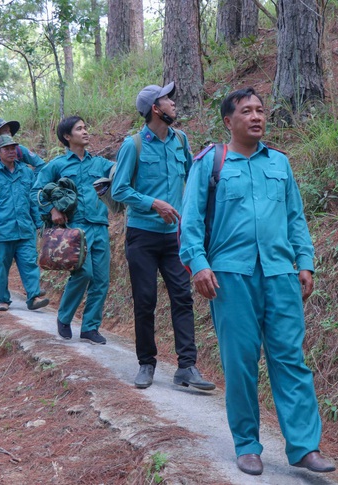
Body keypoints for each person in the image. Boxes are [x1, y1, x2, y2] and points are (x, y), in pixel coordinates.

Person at [179, 88, 336, 476]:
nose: (256, 117)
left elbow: (295, 218)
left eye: (260, 110)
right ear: (228, 121)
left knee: (290, 360)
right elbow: (191, 221)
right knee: (241, 363)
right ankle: (247, 445)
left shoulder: (280, 164)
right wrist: (199, 265)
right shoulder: (210, 163)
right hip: (231, 278)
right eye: (246, 111)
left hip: (281, 275)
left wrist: (306, 262)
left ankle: (304, 447)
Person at [111, 82, 214, 391]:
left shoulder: (181, 140)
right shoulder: (134, 145)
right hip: (142, 235)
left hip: (176, 237)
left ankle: (187, 367)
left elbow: (192, 181)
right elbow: (119, 190)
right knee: (145, 300)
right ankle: (146, 363)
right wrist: (153, 203)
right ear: (155, 109)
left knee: (182, 297)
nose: (173, 104)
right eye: (168, 99)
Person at [32, 116, 114, 345]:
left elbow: (123, 171)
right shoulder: (57, 165)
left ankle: (90, 328)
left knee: (101, 280)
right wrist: (52, 210)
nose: (86, 132)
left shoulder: (100, 164)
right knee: (83, 273)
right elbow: (36, 192)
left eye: (86, 127)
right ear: (67, 137)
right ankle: (64, 316)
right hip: (76, 229)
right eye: (79, 129)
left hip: (100, 225)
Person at [0, 134, 49, 312]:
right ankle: (3, 298)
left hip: (25, 229)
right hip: (2, 231)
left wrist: (39, 222)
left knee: (29, 263)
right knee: (1, 267)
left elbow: (32, 200)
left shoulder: (26, 172)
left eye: (13, 148)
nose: (11, 151)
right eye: (7, 149)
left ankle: (33, 297)